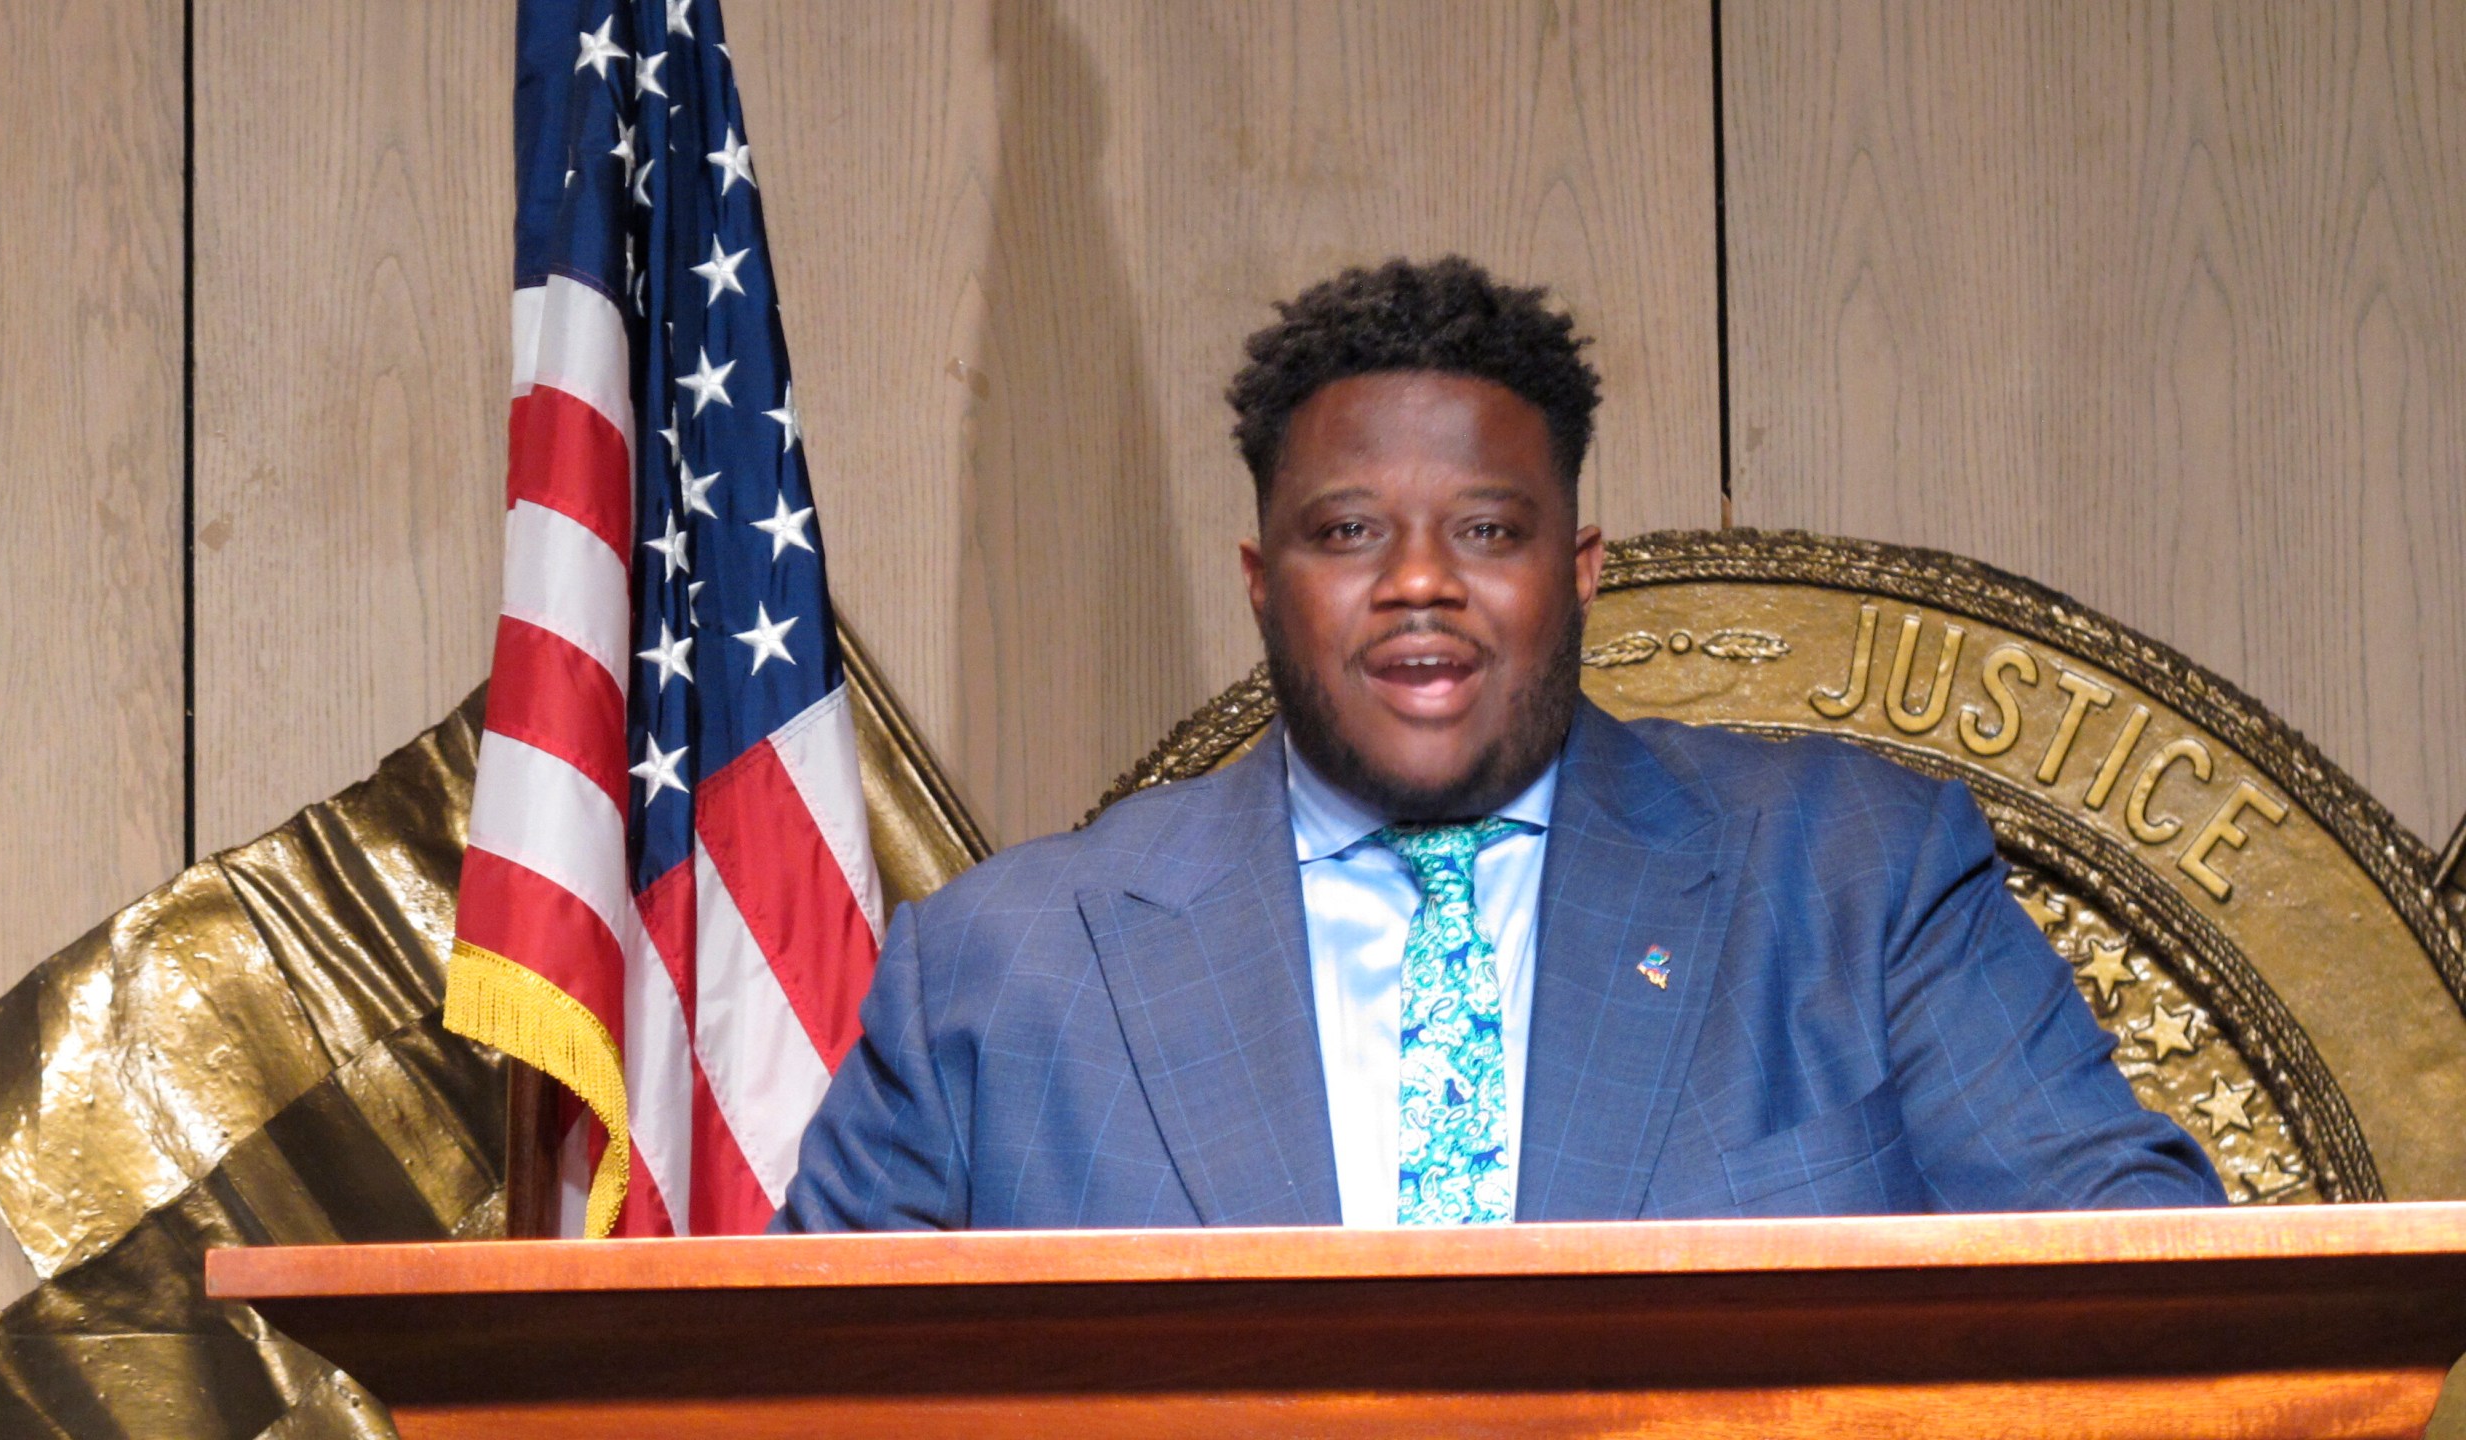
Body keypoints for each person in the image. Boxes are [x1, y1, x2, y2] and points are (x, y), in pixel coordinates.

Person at [776, 256, 2223, 1230]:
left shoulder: (1856, 880)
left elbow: (2148, 1298)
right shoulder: (997, 969)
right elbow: (796, 1396)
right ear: (1261, 579)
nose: (1419, 579)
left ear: (1581, 567)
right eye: (1347, 533)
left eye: (1487, 530)